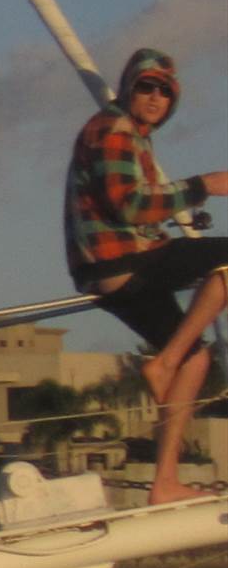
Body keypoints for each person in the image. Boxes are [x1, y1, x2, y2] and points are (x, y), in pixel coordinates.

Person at [65, 47, 228, 504]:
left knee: (197, 361)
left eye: (165, 91)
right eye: (146, 87)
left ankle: (165, 483)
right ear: (129, 89)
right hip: (123, 261)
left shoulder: (133, 136)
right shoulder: (113, 130)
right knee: (182, 352)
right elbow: (130, 205)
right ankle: (165, 361)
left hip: (110, 272)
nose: (156, 97)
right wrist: (203, 186)